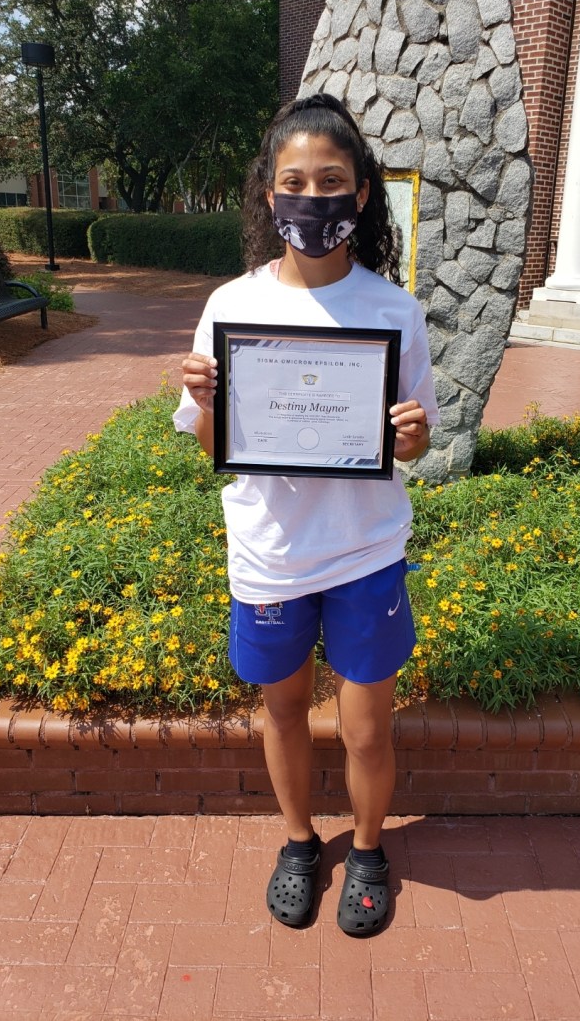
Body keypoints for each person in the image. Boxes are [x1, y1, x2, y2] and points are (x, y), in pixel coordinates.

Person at [174, 93, 439, 936]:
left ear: (361, 193)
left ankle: (366, 850)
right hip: (270, 551)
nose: (312, 197)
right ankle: (298, 841)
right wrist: (207, 404)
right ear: (269, 192)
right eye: (294, 181)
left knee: (366, 728)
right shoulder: (231, 306)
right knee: (284, 709)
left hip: (365, 549)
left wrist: (413, 435)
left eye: (331, 180)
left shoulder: (393, 311)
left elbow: (413, 442)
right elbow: (213, 445)